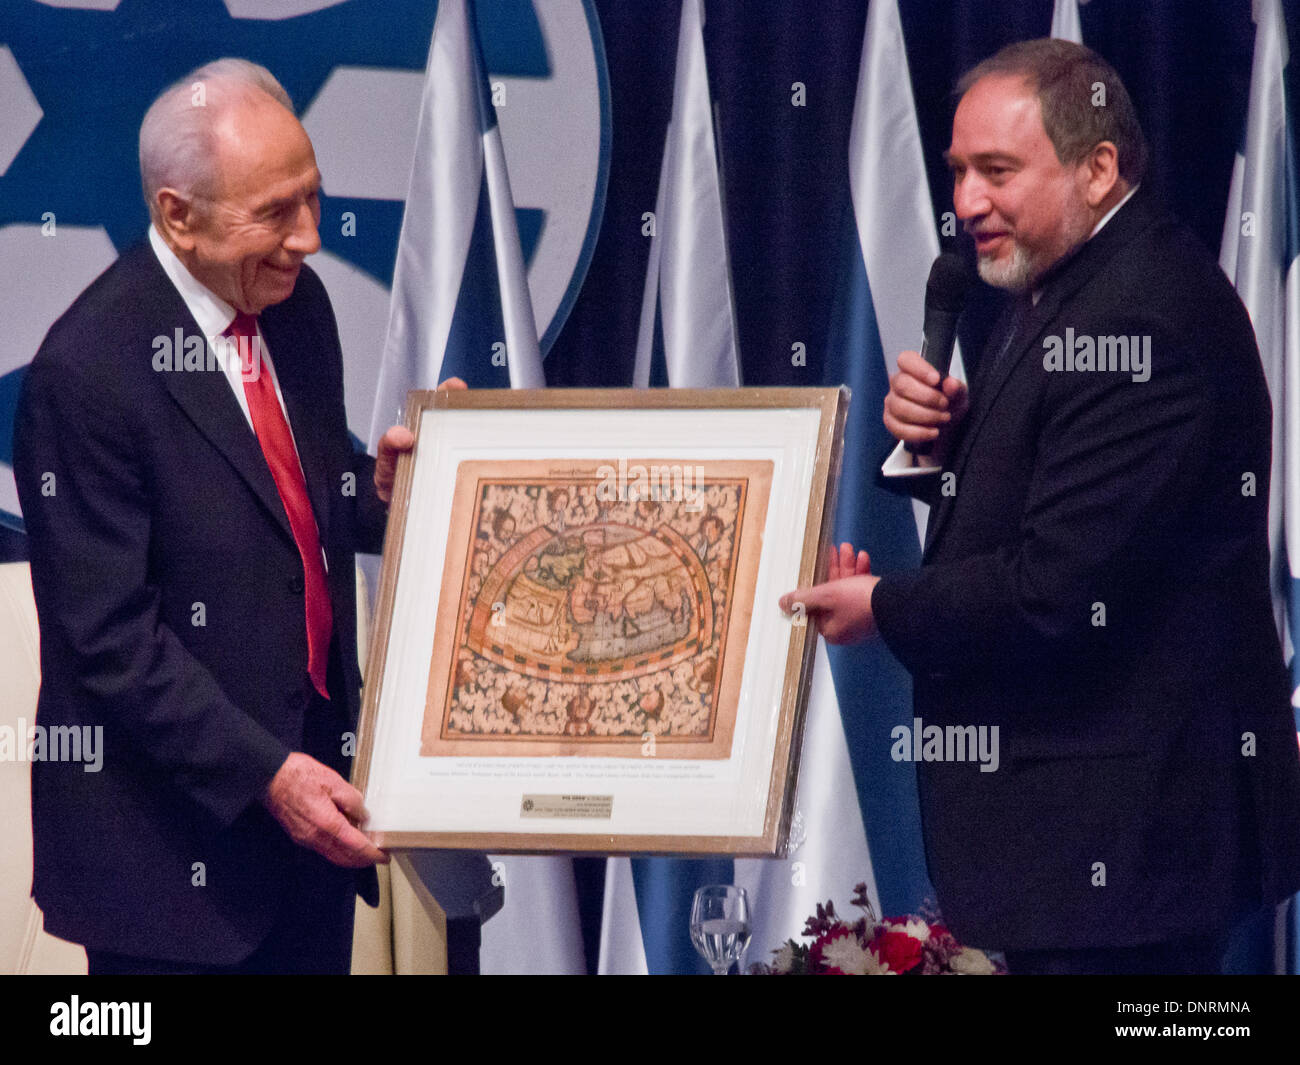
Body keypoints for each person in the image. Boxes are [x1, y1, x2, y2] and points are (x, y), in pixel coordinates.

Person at [782, 38, 1300, 975]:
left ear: (1099, 168)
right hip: (1092, 860)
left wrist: (882, 606)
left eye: (997, 171)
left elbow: (1057, 589)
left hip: (1125, 867)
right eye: (957, 172)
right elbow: (1073, 507)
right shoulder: (1079, 288)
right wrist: (947, 450)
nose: (967, 202)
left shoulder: (1138, 316)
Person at [13, 59, 462, 974]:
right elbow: (110, 641)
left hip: (312, 834)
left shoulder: (296, 308)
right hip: (172, 871)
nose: (307, 237)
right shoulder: (87, 373)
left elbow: (294, 494)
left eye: (313, 198)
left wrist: (377, 489)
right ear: (179, 215)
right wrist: (269, 774)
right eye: (274, 212)